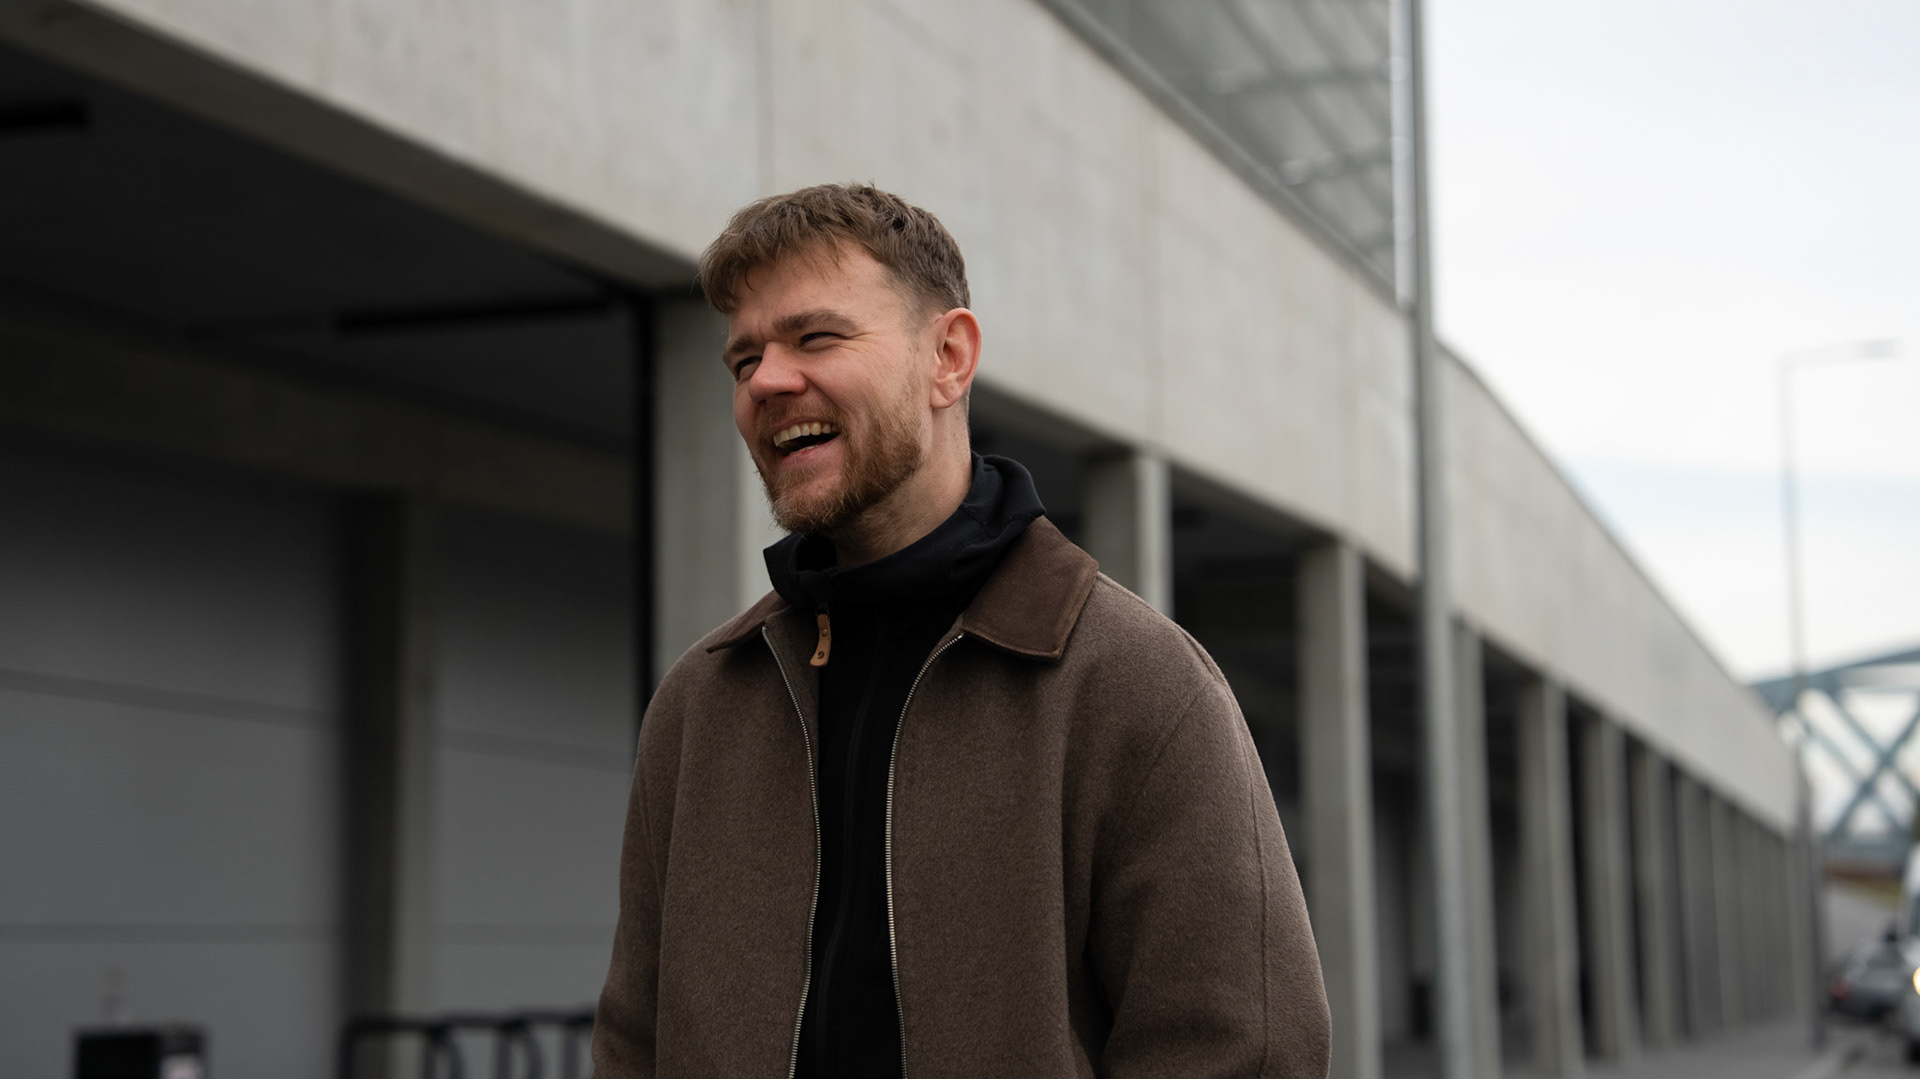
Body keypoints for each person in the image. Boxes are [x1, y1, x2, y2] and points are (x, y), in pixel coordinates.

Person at [592, 183, 1330, 1078]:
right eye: (744, 358)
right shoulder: (701, 705)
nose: (767, 381)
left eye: (815, 337)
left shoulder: (1137, 682)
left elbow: (1244, 1051)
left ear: (948, 357)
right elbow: (633, 1040)